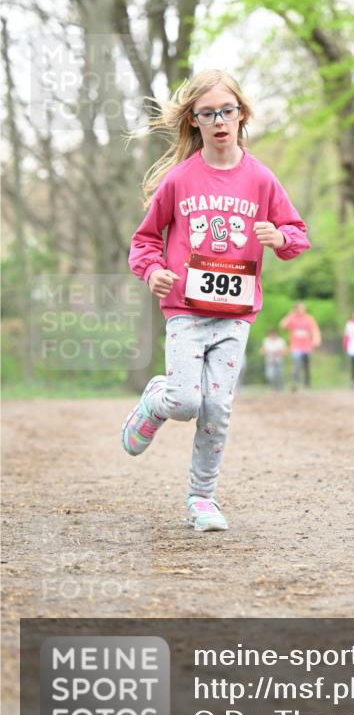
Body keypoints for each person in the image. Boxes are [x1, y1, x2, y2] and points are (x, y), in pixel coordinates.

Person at [123, 69, 310, 531]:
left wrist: (278, 234)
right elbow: (144, 240)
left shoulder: (262, 180)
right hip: (187, 312)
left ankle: (202, 498)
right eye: (208, 114)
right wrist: (154, 272)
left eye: (227, 111)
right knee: (186, 402)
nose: (219, 120)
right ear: (194, 122)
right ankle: (156, 401)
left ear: (241, 114)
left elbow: (298, 237)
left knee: (216, 409)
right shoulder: (181, 180)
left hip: (235, 317)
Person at [280, 302, 321, 389]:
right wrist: (290, 314)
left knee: (306, 365)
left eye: (303, 308)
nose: (302, 310)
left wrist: (316, 340)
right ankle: (295, 382)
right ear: (296, 309)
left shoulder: (309, 318)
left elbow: (315, 330)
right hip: (296, 346)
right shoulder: (292, 318)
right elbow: (282, 325)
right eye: (300, 308)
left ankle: (307, 383)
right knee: (297, 363)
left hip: (307, 346)